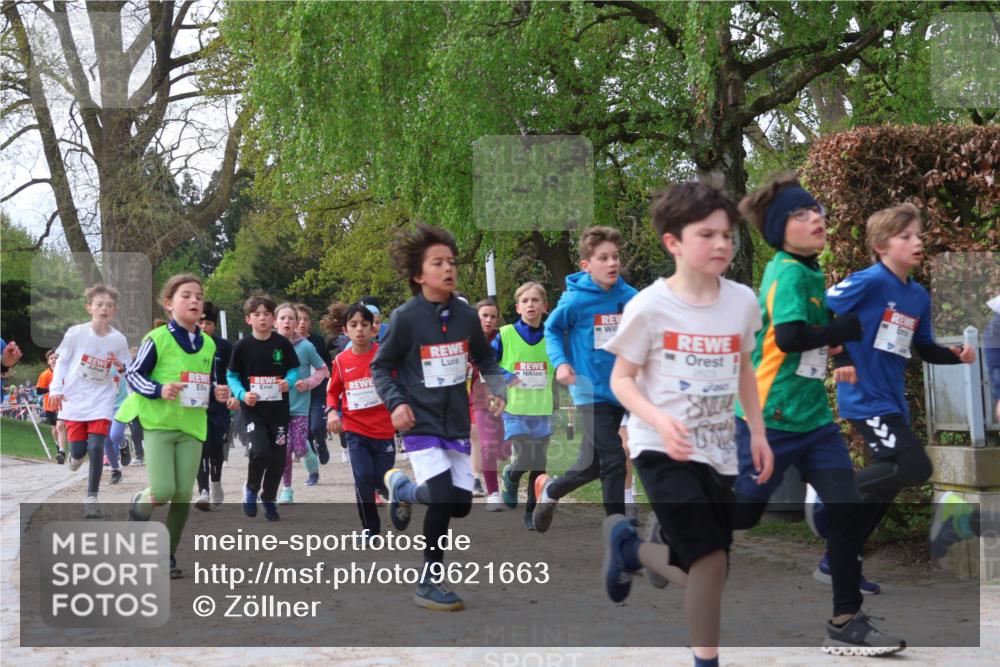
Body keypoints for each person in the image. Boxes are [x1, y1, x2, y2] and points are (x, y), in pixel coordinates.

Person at [602, 180, 773, 667]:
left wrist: (756, 431)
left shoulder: (741, 301)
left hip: (718, 448)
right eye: (707, 234)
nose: (721, 244)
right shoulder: (649, 307)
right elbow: (622, 379)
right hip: (661, 446)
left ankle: (632, 549)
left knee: (712, 566)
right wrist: (656, 417)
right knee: (710, 562)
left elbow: (743, 367)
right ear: (673, 242)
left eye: (727, 234)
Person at [734, 175, 905, 655]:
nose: (815, 219)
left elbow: (816, 331)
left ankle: (846, 621)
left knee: (847, 507)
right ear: (777, 231)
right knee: (744, 514)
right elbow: (788, 338)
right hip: (769, 416)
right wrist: (844, 327)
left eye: (816, 211)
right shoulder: (786, 272)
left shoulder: (811, 272)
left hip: (812, 419)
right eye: (799, 215)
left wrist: (840, 350)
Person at [827, 203, 977, 571]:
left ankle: (840, 560)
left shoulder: (918, 296)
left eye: (918, 235)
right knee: (914, 465)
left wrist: (955, 355)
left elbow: (923, 349)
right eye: (905, 236)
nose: (917, 242)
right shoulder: (869, 280)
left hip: (892, 401)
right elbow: (822, 308)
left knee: (885, 488)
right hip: (864, 397)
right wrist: (841, 359)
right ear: (881, 245)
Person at [373, 224, 506, 611]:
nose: (448, 268)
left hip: (456, 423)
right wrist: (396, 403)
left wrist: (495, 386)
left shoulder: (466, 317)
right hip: (420, 423)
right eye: (438, 263)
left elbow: (485, 358)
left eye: (451, 261)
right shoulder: (405, 318)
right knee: (444, 497)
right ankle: (428, 581)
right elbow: (382, 368)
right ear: (419, 274)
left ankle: (402, 490)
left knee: (460, 504)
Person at [120, 274, 229, 577]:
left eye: (199, 295)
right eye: (186, 295)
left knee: (183, 494)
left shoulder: (208, 344)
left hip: (193, 426)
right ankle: (138, 505)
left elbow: (205, 383)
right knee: (164, 490)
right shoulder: (156, 339)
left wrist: (217, 392)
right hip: (158, 424)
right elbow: (133, 375)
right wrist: (159, 389)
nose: (195, 300)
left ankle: (165, 555)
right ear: (169, 304)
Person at [531, 226, 638, 533]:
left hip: (623, 388)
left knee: (591, 465)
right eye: (603, 258)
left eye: (615, 257)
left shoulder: (630, 297)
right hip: (590, 391)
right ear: (586, 265)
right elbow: (551, 331)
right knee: (615, 460)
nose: (612, 263)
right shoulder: (575, 301)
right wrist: (561, 363)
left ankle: (552, 490)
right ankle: (620, 533)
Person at [49, 284, 132, 518]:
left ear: (114, 310)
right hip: (75, 399)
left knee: (97, 447)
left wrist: (121, 367)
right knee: (79, 449)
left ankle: (91, 498)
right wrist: (55, 388)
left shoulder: (118, 339)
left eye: (109, 305)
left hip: (102, 399)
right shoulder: (75, 333)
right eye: (99, 304)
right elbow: (62, 363)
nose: (103, 309)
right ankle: (75, 456)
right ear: (89, 308)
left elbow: (128, 368)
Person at [227, 294, 299, 521]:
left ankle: (268, 497)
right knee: (260, 451)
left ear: (273, 318)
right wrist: (241, 394)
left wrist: (289, 381)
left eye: (267, 314)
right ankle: (250, 489)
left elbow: (294, 370)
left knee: (278, 458)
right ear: (249, 319)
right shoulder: (242, 347)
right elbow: (232, 376)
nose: (263, 318)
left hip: (278, 412)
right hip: (253, 412)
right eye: (257, 314)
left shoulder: (282, 344)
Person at [327, 303, 395, 536]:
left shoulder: (383, 356)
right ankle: (370, 528)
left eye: (365, 325)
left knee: (383, 479)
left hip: (384, 430)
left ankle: (396, 496)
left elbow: (398, 383)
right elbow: (332, 391)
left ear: (373, 329)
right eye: (354, 325)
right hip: (355, 429)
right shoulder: (340, 361)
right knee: (363, 477)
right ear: (345, 330)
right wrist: (332, 412)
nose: (359, 330)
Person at [495, 282, 555, 530]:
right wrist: (507, 376)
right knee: (526, 454)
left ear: (545, 306)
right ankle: (511, 476)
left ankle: (531, 511)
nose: (531, 304)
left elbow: (563, 361)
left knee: (539, 464)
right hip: (516, 410)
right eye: (525, 301)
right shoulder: (506, 334)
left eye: (535, 300)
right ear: (518, 307)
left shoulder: (552, 336)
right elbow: (485, 362)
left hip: (542, 409)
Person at [274, 303, 327, 503]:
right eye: (282, 318)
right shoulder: (268, 345)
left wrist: (308, 382)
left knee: (300, 447)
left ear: (297, 323)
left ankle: (309, 457)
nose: (286, 322)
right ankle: (287, 489)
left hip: (299, 406)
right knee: (285, 450)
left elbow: (323, 370)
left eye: (291, 318)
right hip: (277, 407)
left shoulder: (306, 346)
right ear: (274, 322)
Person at [194, 302, 238, 509]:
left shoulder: (224, 346)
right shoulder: (188, 344)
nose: (203, 326)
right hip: (195, 403)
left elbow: (233, 374)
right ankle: (203, 490)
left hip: (219, 405)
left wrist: (233, 394)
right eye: (200, 322)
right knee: (200, 446)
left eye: (208, 323)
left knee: (215, 446)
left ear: (214, 325)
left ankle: (216, 481)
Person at [470, 299, 508, 510]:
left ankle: (507, 474)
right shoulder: (467, 340)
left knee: (504, 449)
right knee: (486, 444)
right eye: (484, 315)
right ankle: (493, 493)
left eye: (493, 316)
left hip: (506, 397)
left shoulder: (503, 338)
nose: (489, 320)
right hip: (479, 399)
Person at [296, 303, 334, 468]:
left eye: (306, 319)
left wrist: (330, 377)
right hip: (298, 393)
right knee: (306, 432)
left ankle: (321, 442)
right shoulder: (285, 342)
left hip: (318, 389)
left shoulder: (317, 340)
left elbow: (326, 363)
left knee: (317, 426)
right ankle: (313, 469)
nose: (302, 323)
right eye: (299, 319)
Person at [36, 349, 67, 464]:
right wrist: (53, 388)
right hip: (49, 406)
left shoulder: (66, 372)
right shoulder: (45, 375)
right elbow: (39, 391)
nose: (54, 360)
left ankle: (62, 452)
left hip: (63, 405)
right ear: (48, 362)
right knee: (54, 429)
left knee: (60, 426)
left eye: (56, 358)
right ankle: (58, 446)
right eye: (51, 358)